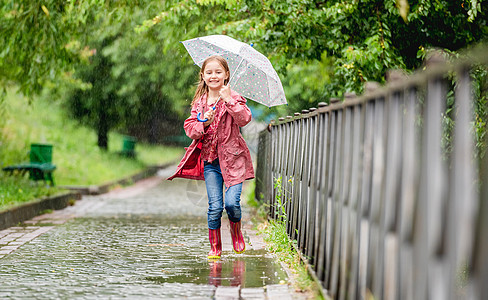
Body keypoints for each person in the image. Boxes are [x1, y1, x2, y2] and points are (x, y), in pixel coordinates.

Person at [168, 55, 255, 259]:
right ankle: (215, 246)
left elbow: (244, 119)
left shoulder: (234, 97)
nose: (213, 76)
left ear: (226, 75)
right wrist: (204, 123)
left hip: (233, 161)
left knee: (232, 204)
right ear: (203, 75)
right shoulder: (200, 103)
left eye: (218, 72)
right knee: (215, 206)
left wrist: (229, 100)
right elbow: (190, 128)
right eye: (209, 72)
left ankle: (236, 231)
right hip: (211, 162)